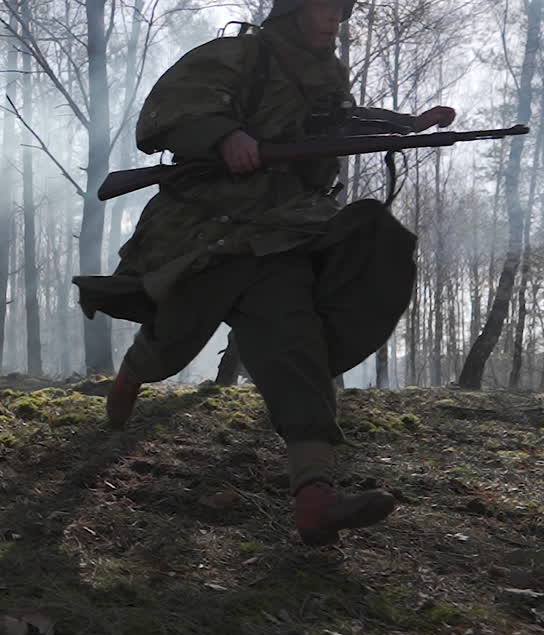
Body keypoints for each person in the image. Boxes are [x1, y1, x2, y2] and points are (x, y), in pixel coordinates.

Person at [74, 0, 456, 545]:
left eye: (341, 12)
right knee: (174, 336)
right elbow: (171, 110)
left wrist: (404, 125)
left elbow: (336, 120)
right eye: (325, 9)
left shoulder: (326, 73)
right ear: (295, 11)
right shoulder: (240, 54)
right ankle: (133, 375)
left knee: (293, 340)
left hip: (284, 229)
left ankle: (314, 495)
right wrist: (225, 136)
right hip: (208, 227)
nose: (335, 21)